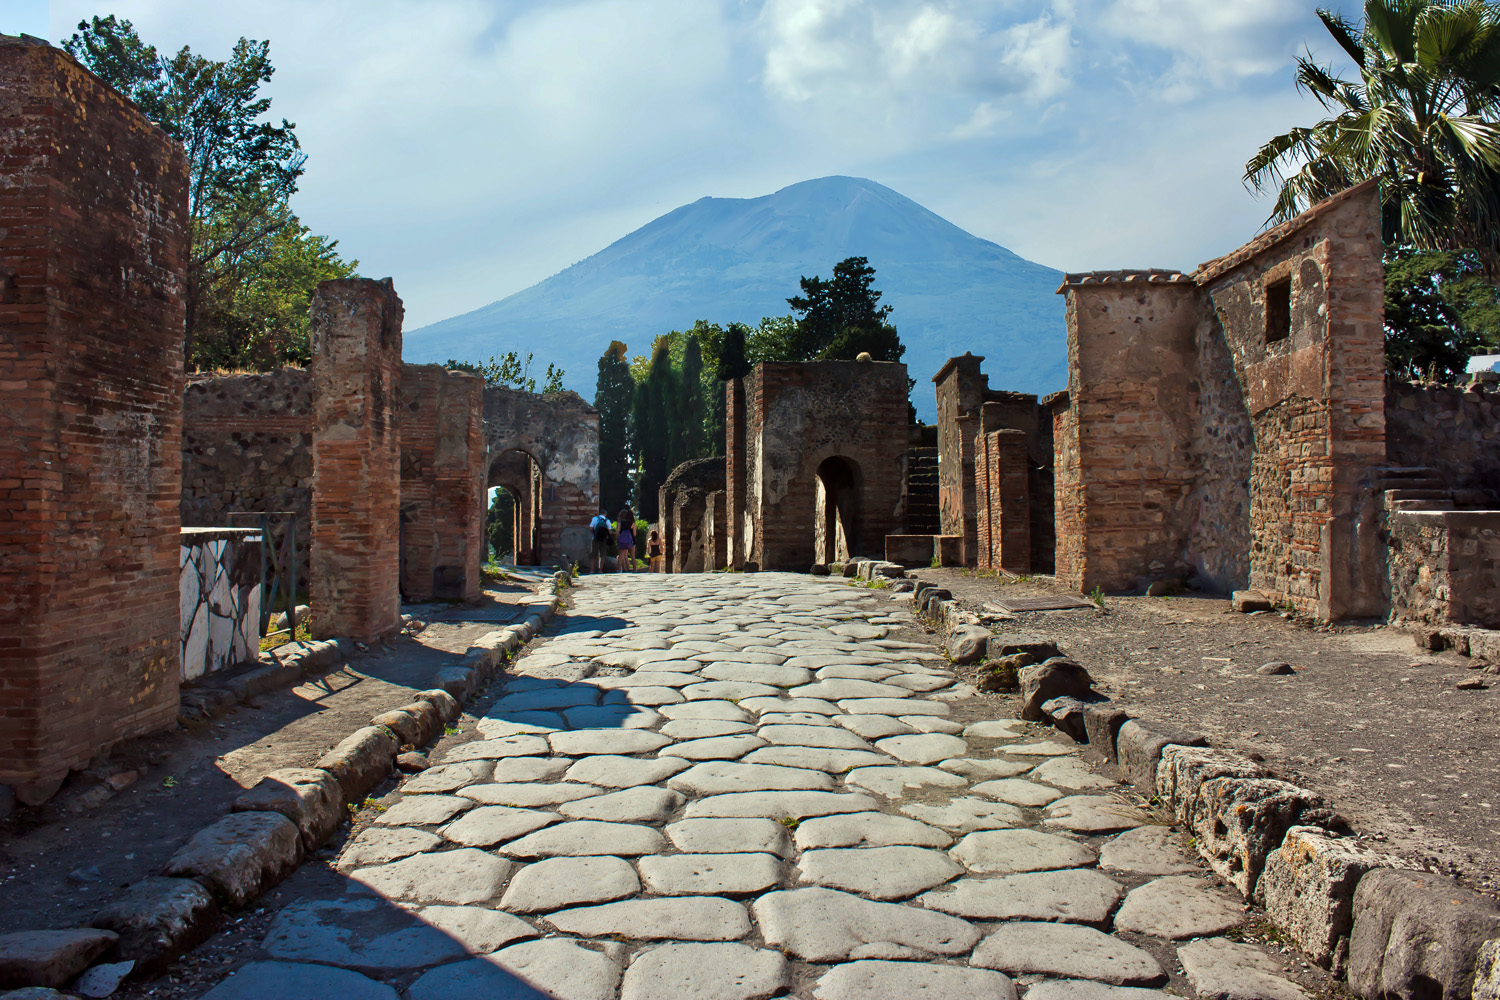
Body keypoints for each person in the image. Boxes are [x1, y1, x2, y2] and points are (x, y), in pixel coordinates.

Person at [616, 508, 636, 573]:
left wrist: (617, 538)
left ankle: (619, 570)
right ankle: (634, 569)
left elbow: (618, 531)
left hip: (622, 540)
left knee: (621, 555)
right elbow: (634, 533)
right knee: (632, 555)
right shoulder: (632, 522)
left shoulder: (620, 522)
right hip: (631, 540)